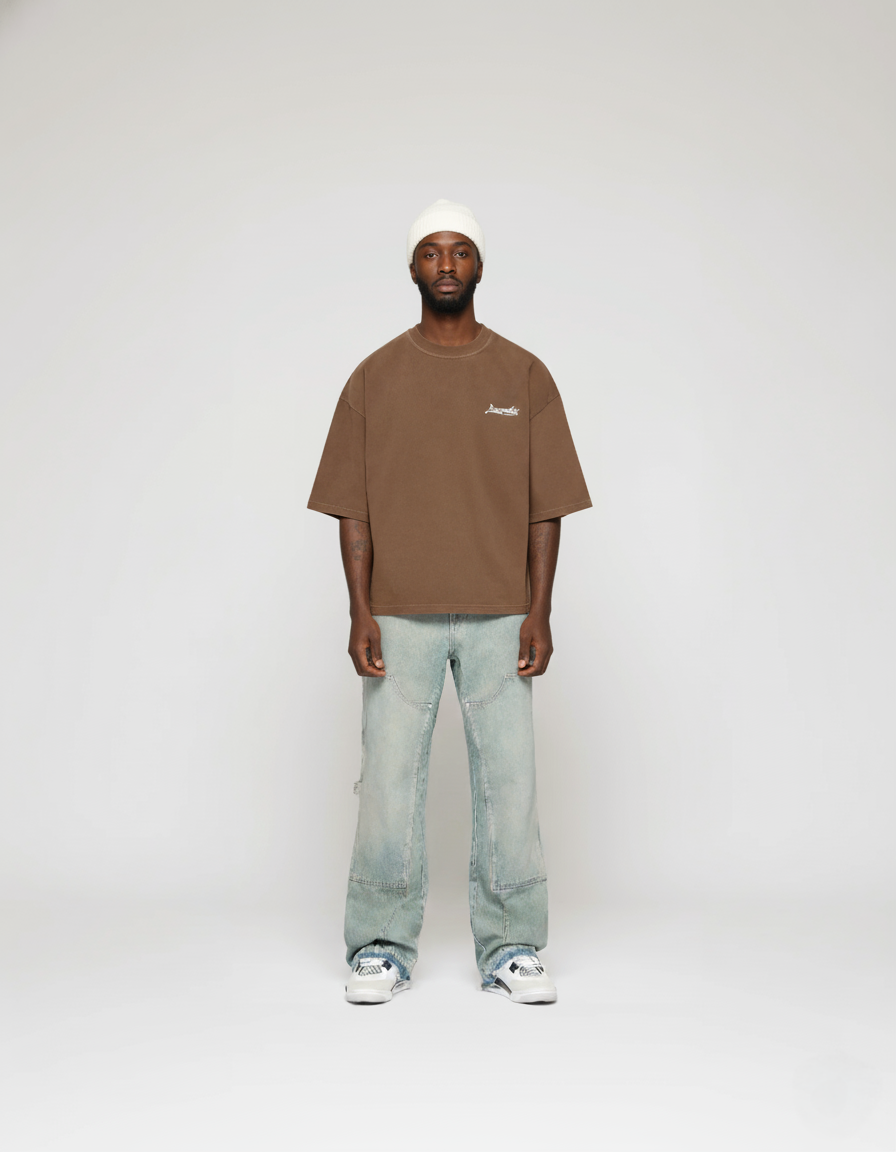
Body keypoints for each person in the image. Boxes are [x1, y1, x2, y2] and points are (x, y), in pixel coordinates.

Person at [308, 199, 591, 1005]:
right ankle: (380, 945)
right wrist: (360, 612)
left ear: (479, 266)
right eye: (431, 251)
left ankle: (512, 945)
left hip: (502, 612)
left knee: (511, 784)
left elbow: (546, 508)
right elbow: (351, 507)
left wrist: (539, 611)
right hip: (398, 611)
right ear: (411, 268)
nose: (445, 263)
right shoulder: (374, 377)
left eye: (460, 250)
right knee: (388, 784)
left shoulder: (524, 375)